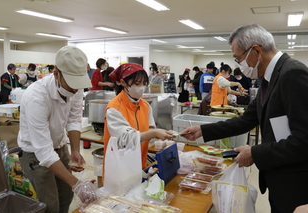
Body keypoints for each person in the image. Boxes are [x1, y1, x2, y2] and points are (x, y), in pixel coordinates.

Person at [181, 23, 308, 213]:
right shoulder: (268, 79)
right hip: (279, 176)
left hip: (295, 183)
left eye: (238, 58)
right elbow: (246, 120)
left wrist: (255, 153)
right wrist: (202, 130)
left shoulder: (292, 74)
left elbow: (304, 140)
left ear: (255, 51)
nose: (239, 64)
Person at [18, 46, 96, 213]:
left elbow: (74, 119)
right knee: (49, 204)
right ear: (56, 74)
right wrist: (78, 184)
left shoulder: (76, 86)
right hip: (35, 154)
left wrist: (74, 150)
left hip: (60, 147)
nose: (75, 90)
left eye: (78, 84)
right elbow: (44, 152)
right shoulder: (36, 97)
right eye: (72, 84)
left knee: (66, 197)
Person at [103, 63, 174, 171]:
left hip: (139, 164)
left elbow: (149, 128)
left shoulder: (145, 106)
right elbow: (125, 139)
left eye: (144, 83)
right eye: (137, 83)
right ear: (123, 82)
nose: (141, 87)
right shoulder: (114, 108)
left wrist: (158, 134)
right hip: (118, 169)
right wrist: (154, 133)